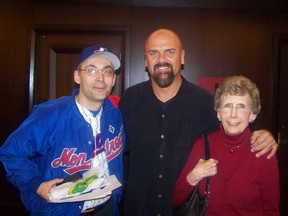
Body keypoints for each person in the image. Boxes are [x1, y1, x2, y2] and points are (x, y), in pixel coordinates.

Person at [119, 29, 278, 216]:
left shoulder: (205, 103)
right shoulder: (129, 100)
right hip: (137, 210)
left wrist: (263, 134)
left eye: (169, 51)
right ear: (146, 60)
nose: (161, 59)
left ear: (182, 56)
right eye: (153, 53)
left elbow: (232, 129)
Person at [0, 45, 125, 216]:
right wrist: (36, 184)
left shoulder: (115, 115)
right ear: (77, 76)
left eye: (107, 71)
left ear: (113, 80)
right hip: (62, 211)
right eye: (91, 70)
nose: (100, 78)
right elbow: (11, 153)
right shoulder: (50, 115)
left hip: (108, 208)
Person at [173, 75, 280, 215]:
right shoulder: (202, 146)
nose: (233, 115)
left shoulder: (263, 151)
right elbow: (176, 198)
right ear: (218, 113)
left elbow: (271, 210)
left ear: (253, 114)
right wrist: (193, 176)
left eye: (241, 107)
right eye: (228, 106)